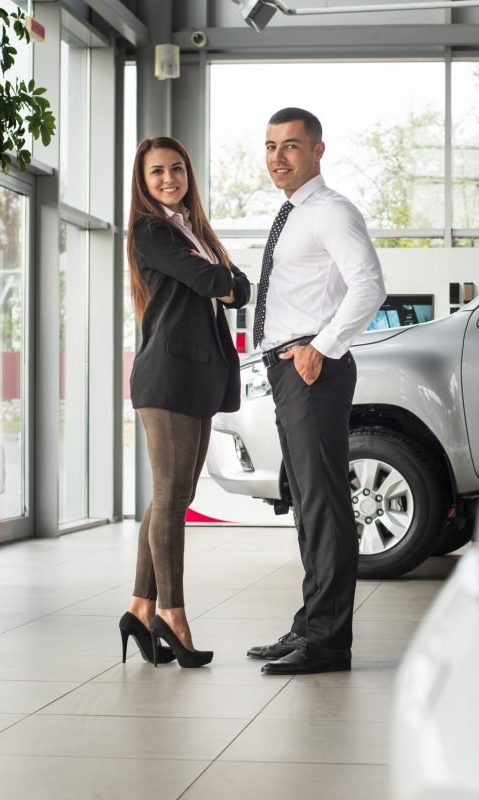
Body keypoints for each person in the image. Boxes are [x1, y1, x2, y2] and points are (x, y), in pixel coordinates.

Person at [247, 108, 386, 675]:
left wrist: (319, 348)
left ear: (318, 151)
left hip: (312, 368)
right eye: (271, 145)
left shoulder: (329, 211)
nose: (279, 156)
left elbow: (370, 285)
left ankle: (329, 641)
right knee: (307, 504)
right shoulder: (292, 214)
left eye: (292, 146)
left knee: (324, 504)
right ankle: (311, 625)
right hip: (291, 367)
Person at [119, 136, 250, 669]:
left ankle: (139, 606)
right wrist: (224, 280)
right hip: (168, 377)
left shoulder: (191, 230)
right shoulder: (150, 230)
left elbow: (237, 287)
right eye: (157, 173)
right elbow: (214, 280)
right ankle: (172, 613)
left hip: (193, 377)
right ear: (143, 182)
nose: (169, 178)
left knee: (171, 496)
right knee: (173, 500)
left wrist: (226, 281)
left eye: (176, 169)